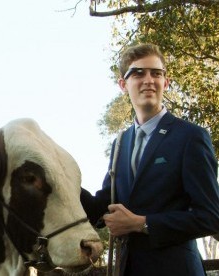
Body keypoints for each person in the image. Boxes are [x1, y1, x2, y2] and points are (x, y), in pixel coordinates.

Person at [80, 43, 219, 275]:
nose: (148, 80)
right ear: (123, 85)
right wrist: (61, 178)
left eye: (156, 73)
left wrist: (141, 223)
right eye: (138, 73)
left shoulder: (190, 136)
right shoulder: (120, 144)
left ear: (166, 82)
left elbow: (211, 217)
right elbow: (102, 208)